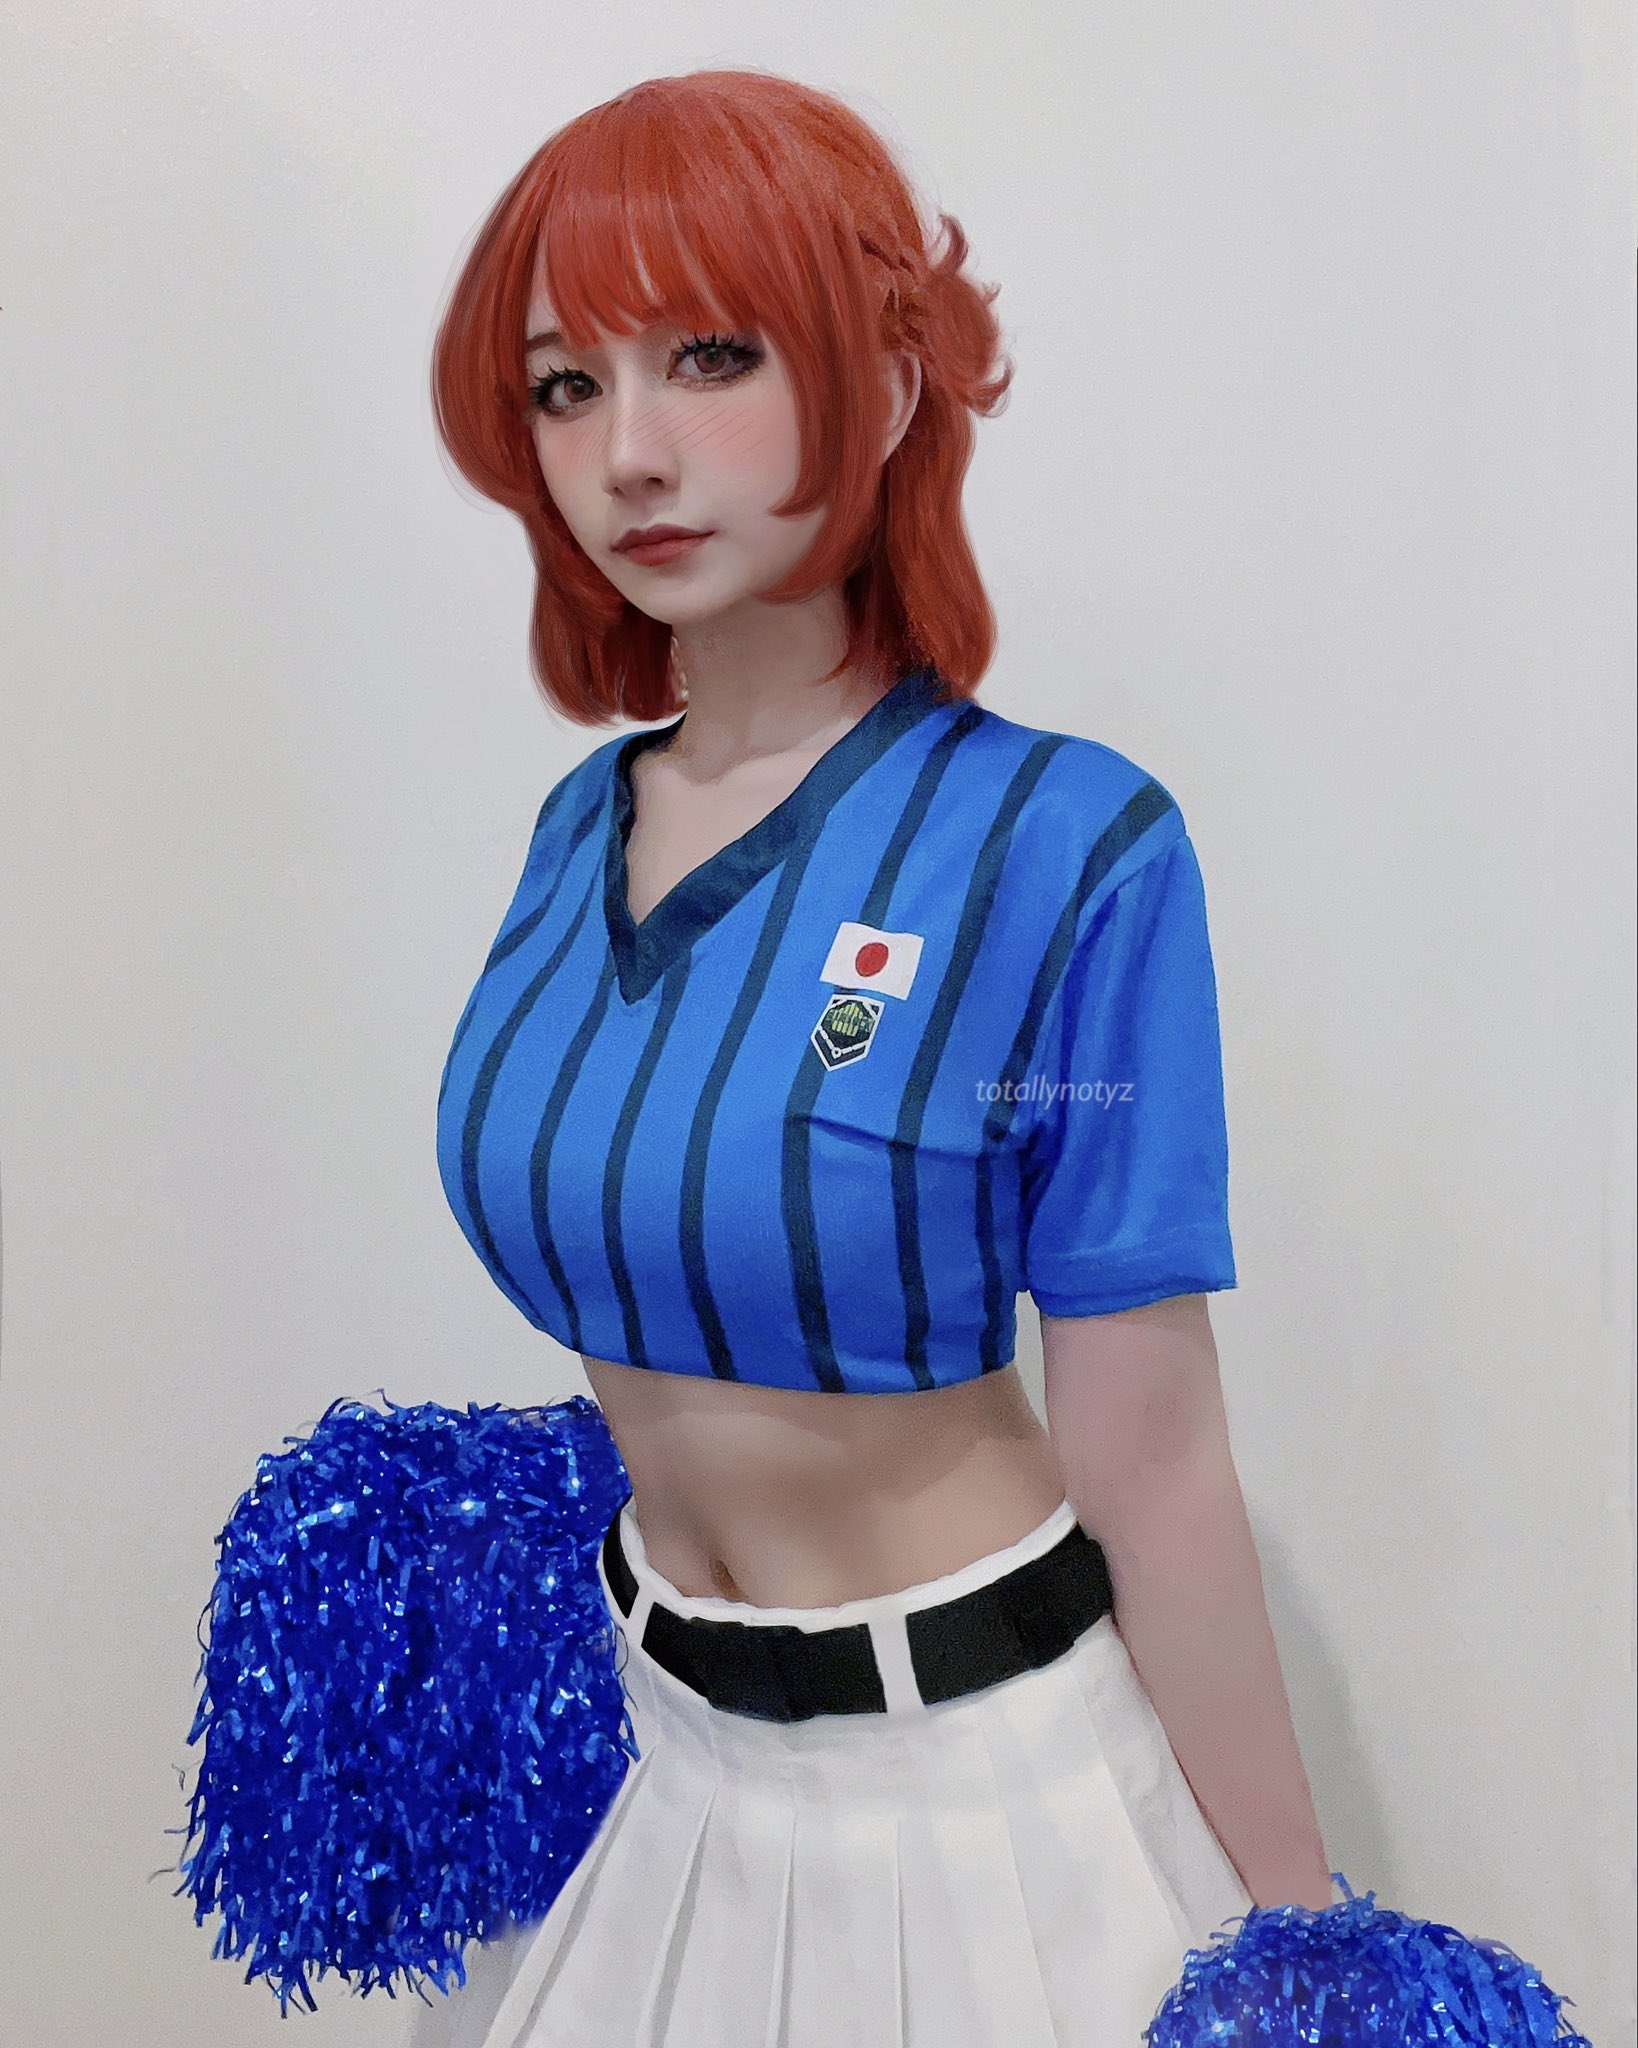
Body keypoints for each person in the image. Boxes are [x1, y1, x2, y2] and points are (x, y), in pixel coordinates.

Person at [416, 67, 1331, 2048]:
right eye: (567, 385)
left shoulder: (1065, 844)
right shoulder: (577, 831)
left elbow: (1152, 1450)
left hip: (987, 1824)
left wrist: (1308, 1933)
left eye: (711, 357)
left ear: (889, 381)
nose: (629, 452)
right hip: (657, 1787)